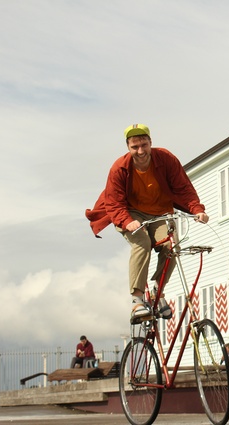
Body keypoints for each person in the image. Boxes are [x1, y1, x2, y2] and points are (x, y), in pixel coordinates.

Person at [85, 124, 209, 322]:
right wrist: (127, 221)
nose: (140, 151)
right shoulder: (119, 168)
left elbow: (183, 187)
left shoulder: (166, 159)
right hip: (130, 212)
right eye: (135, 147)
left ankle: (157, 292)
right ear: (128, 147)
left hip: (160, 212)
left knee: (170, 245)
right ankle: (137, 300)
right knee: (142, 243)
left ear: (151, 142)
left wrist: (197, 210)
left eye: (144, 145)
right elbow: (114, 202)